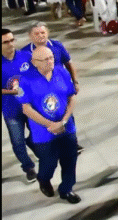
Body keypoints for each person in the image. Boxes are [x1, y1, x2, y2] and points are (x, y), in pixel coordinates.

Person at [17, 47, 81, 204]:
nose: (50, 61)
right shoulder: (25, 80)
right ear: (34, 62)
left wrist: (64, 121)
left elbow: (71, 97)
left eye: (51, 57)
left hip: (66, 128)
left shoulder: (62, 72)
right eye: (45, 59)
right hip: (43, 132)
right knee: (49, 162)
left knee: (70, 159)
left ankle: (66, 189)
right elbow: (26, 109)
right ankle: (43, 179)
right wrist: (51, 124)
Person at [2, 29, 37, 183]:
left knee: (38, 133)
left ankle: (35, 145)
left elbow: (38, 76)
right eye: (5, 42)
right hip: (11, 109)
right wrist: (11, 91)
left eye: (12, 40)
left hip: (30, 107)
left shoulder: (26, 57)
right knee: (17, 141)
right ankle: (28, 167)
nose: (10, 44)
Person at [22, 22, 80, 93]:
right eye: (36, 34)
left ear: (48, 33)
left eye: (43, 33)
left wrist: (75, 82)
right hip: (39, 88)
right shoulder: (24, 52)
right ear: (30, 36)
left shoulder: (57, 45)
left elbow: (68, 64)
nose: (40, 35)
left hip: (60, 84)